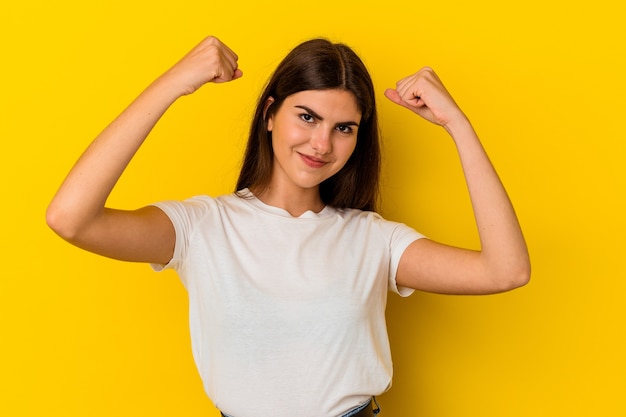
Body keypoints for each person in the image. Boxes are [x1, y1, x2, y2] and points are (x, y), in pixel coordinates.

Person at [46, 36, 530, 417]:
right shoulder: (204, 226)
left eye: (344, 128)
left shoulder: (372, 239)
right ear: (270, 114)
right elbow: (70, 219)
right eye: (307, 116)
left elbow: (505, 271)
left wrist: (457, 125)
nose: (322, 143)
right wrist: (174, 82)